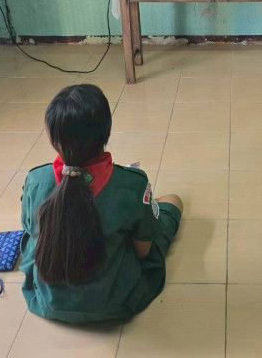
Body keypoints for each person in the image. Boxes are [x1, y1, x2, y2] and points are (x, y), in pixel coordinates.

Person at [19, 84, 183, 324]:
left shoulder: (36, 180)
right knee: (173, 201)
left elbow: (30, 233)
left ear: (53, 138)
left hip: (47, 302)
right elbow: (143, 251)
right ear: (106, 133)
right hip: (115, 304)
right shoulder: (132, 184)